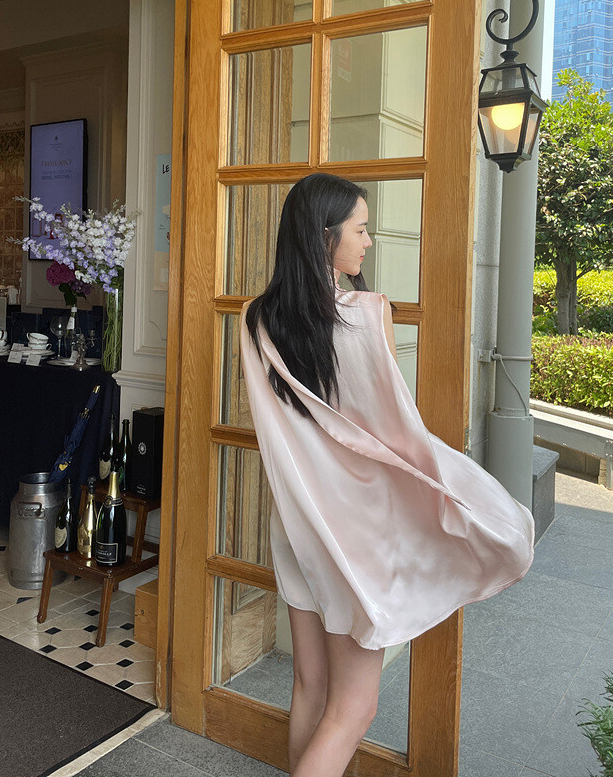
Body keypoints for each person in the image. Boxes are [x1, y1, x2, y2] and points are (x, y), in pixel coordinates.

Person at [239, 173, 535, 777]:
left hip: (297, 522)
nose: (368, 242)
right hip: (358, 535)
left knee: (310, 688)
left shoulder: (256, 317)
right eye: (361, 230)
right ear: (325, 237)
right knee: (354, 708)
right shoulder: (368, 316)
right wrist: (465, 494)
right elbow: (401, 438)